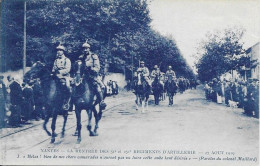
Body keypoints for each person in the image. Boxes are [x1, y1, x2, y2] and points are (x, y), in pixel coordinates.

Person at [78, 40, 106, 109]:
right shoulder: (81, 57)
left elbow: (97, 68)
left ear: (89, 49)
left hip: (93, 76)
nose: (85, 50)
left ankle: (101, 101)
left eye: (86, 48)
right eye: (84, 49)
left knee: (97, 86)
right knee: (76, 86)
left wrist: (92, 69)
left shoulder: (94, 56)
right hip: (84, 76)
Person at [52, 44, 72, 110]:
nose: (59, 51)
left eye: (60, 50)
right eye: (58, 50)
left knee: (68, 87)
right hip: (56, 76)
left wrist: (59, 72)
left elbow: (67, 69)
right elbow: (54, 68)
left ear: (63, 51)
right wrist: (53, 71)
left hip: (65, 77)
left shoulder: (67, 60)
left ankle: (67, 102)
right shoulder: (56, 60)